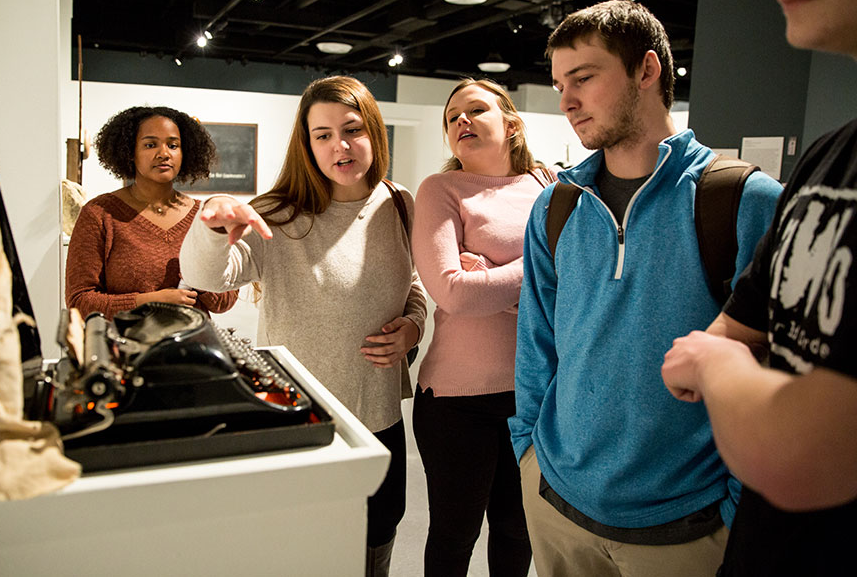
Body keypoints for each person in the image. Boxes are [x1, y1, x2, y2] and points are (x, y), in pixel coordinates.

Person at [507, 0, 783, 577]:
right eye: (560, 84)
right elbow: (536, 341)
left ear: (647, 70)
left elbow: (784, 373)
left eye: (583, 78)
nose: (567, 102)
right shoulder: (556, 207)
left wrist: (737, 507)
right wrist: (528, 451)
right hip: (558, 503)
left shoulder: (743, 201)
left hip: (688, 525)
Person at [661, 0, 857, 575]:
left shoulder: (742, 189)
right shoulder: (830, 156)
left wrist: (711, 364)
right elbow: (744, 320)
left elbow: (803, 451)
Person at [179, 76, 427, 577]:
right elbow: (207, 276)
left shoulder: (399, 203)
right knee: (307, 545)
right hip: (299, 419)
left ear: (373, 133)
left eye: (352, 129)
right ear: (307, 143)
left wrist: (413, 328)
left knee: (377, 538)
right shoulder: (278, 212)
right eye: (322, 134)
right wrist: (210, 225)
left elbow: (414, 283)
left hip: (377, 415)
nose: (340, 145)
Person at [410, 78, 546, 576]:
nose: (461, 121)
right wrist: (535, 276)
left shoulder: (548, 184)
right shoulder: (441, 190)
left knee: (518, 531)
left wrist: (492, 277)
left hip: (534, 394)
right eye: (452, 118)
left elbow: (576, 281)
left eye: (475, 110)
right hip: (455, 400)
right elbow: (454, 294)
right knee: (454, 534)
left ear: (511, 124)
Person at [65, 105, 238, 320]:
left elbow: (225, 301)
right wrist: (148, 302)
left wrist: (198, 273)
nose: (164, 154)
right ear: (130, 152)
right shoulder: (100, 214)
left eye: (173, 145)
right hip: (126, 348)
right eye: (150, 145)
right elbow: (79, 301)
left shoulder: (204, 216)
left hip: (191, 347)